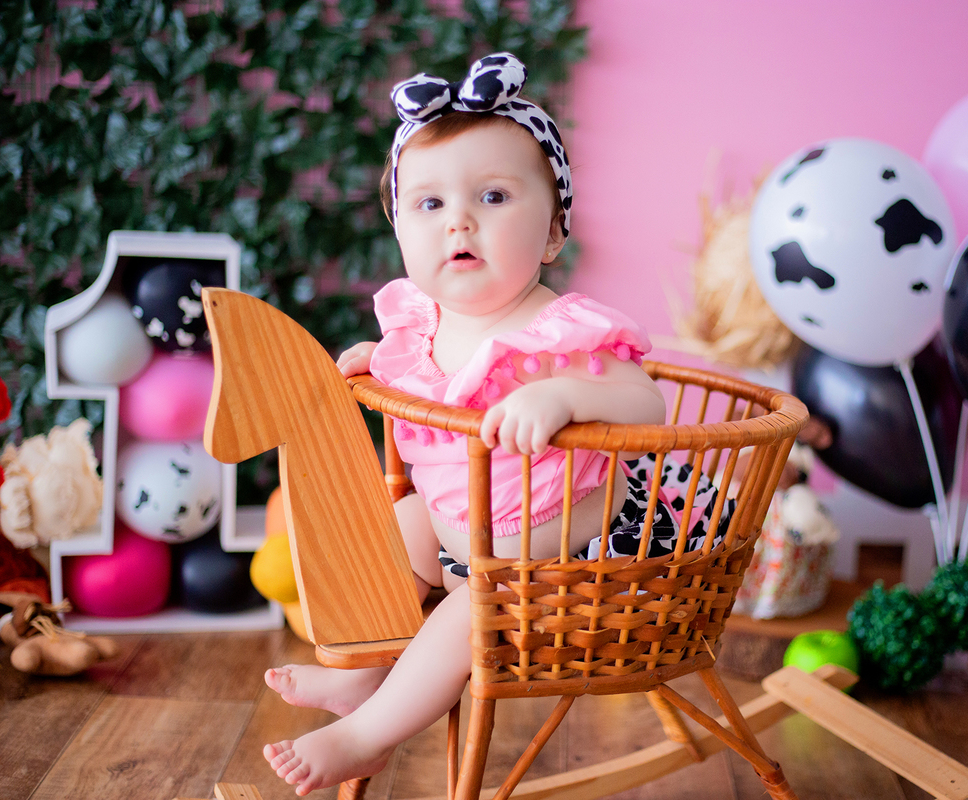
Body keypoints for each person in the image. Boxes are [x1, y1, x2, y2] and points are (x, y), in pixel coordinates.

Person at [261, 53, 731, 795]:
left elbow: (647, 404)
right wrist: (378, 363)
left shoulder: (561, 332)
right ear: (399, 228)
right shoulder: (419, 328)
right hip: (462, 529)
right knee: (393, 530)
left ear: (552, 234)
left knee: (471, 610)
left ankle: (367, 737)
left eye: (493, 195)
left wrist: (566, 397)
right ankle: (368, 675)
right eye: (429, 203)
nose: (460, 220)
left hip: (563, 561)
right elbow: (426, 384)